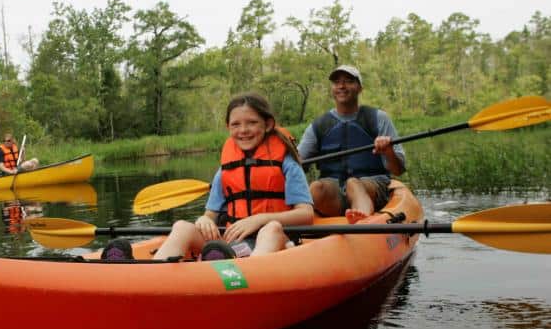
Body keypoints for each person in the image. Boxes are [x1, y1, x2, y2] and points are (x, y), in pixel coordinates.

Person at [102, 93, 314, 261]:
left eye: (251, 123)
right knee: (182, 226)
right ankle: (150, 271)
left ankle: (242, 269)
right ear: (227, 127)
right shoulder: (225, 170)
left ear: (267, 125)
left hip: (276, 240)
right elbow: (210, 216)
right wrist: (204, 220)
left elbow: (305, 214)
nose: (244, 130)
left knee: (272, 228)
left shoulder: (287, 164)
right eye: (236, 125)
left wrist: (259, 219)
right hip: (233, 240)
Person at [297, 65, 406, 224]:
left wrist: (388, 150)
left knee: (353, 183)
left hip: (372, 185)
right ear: (332, 89)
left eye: (348, 81)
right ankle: (297, 228)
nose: (341, 86)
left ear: (360, 88)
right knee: (316, 187)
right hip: (334, 191)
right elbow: (298, 164)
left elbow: (398, 169)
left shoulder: (378, 118)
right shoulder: (318, 125)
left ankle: (362, 222)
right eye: (336, 82)